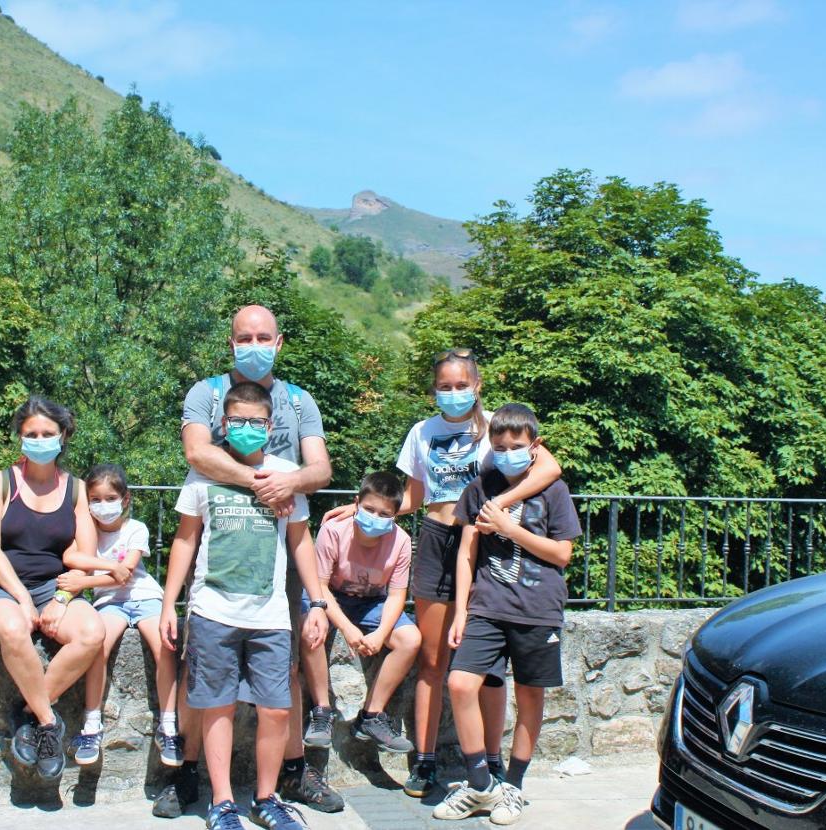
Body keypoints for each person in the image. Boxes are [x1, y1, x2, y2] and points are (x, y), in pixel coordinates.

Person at [323, 348, 563, 797]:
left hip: (486, 541)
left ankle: (491, 761)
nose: (453, 394)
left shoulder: (497, 427)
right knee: (432, 661)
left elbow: (549, 467)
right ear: (434, 390)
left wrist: (503, 507)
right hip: (436, 540)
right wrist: (360, 511)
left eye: (461, 385)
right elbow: (413, 497)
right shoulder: (422, 432)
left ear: (477, 384)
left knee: (488, 666)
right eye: (444, 387)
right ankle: (425, 760)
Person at [159, 304, 342, 817]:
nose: (255, 344)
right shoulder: (207, 392)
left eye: (264, 336)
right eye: (245, 336)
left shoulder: (300, 400)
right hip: (223, 551)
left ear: (279, 342)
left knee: (284, 677)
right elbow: (198, 455)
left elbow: (320, 467)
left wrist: (288, 483)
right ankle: (190, 777)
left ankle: (291, 775)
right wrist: (264, 485)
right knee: (206, 678)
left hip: (278, 553)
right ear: (231, 341)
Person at [433, 403, 581, 824]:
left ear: (534, 446)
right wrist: (460, 612)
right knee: (461, 684)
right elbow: (465, 554)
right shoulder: (480, 488)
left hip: (538, 609)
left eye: (516, 445)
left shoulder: (554, 490)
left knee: (530, 696)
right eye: (499, 446)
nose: (507, 452)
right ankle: (480, 785)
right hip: (487, 606)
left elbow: (562, 553)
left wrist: (511, 529)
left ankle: (513, 787)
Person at [0, 396, 108, 780]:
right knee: (14, 629)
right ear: (20, 438)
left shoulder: (77, 490)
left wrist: (62, 598)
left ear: (63, 436)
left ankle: (27, 717)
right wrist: (23, 599)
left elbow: (84, 557)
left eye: (48, 433)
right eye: (31, 434)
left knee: (92, 632)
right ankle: (49, 724)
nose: (40, 439)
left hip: (55, 587)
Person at [56, 464, 181, 767]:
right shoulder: (87, 533)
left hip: (143, 596)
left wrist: (83, 582)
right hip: (109, 602)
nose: (103, 505)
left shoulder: (135, 529)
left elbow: (125, 575)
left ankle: (168, 724)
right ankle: (91, 724)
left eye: (109, 498)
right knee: (97, 646)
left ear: (125, 499)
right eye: (95, 499)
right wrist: (102, 572)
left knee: (165, 645)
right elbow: (70, 556)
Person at [300, 471, 421, 755]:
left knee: (411, 640)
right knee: (311, 627)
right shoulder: (334, 530)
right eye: (369, 510)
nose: (375, 518)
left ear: (395, 515)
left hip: (371, 603)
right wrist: (346, 627)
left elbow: (396, 594)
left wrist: (380, 633)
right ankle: (321, 711)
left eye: (384, 514)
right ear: (356, 504)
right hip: (329, 594)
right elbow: (319, 584)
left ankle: (371, 715)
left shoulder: (400, 541)